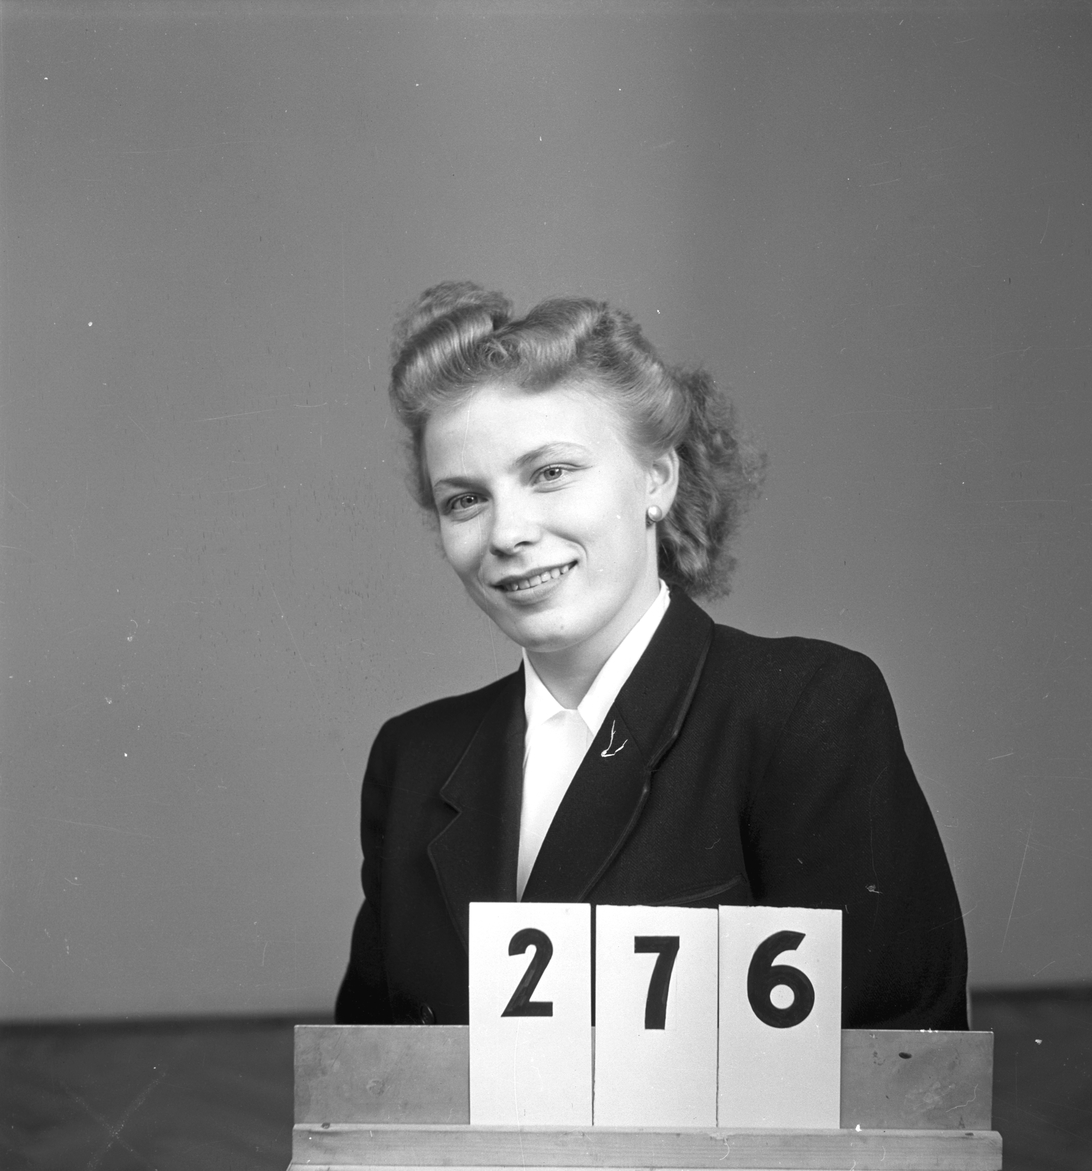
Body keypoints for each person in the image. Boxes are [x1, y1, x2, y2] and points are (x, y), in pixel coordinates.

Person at [335, 282, 969, 1030]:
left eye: (550, 473)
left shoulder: (806, 708)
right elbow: (371, 1073)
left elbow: (897, 1063)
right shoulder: (413, 757)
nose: (507, 533)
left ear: (657, 479)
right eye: (464, 500)